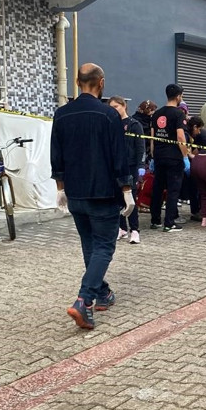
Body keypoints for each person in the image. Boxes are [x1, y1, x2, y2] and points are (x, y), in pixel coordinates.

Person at [50, 63, 134, 330]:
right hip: (104, 192)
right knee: (104, 247)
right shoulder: (109, 115)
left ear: (77, 82)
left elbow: (56, 156)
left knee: (90, 244)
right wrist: (127, 190)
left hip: (75, 193)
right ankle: (84, 301)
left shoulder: (61, 115)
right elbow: (119, 157)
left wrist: (60, 188)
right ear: (101, 83)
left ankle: (102, 292)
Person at [149, 84, 189, 233]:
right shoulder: (178, 114)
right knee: (173, 190)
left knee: (158, 189)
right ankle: (169, 223)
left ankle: (155, 220)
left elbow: (153, 137)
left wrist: (153, 155)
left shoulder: (157, 114)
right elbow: (180, 136)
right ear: (178, 96)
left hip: (159, 156)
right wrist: (185, 156)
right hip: (173, 158)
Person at [108, 96, 146, 244]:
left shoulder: (134, 124)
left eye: (116, 107)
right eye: (111, 107)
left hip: (130, 167)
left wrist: (141, 166)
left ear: (124, 106)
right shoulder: (111, 124)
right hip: (114, 167)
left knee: (130, 199)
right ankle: (121, 228)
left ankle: (135, 230)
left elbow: (140, 146)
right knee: (117, 199)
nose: (114, 110)